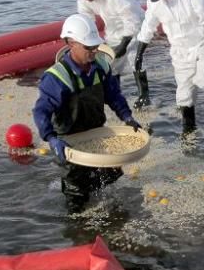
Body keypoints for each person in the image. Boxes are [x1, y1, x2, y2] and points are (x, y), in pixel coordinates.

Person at [32, 13, 142, 211]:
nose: (93, 51)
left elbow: (113, 95)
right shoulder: (57, 77)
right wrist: (51, 138)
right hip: (69, 140)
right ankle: (78, 222)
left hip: (95, 134)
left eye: (95, 46)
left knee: (111, 174)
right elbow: (41, 111)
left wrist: (127, 116)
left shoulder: (100, 66)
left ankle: (101, 207)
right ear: (71, 43)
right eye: (88, 47)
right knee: (76, 192)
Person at [134, 0, 204, 134]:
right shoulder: (154, 3)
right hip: (179, 50)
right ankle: (189, 129)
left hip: (201, 43)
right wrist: (139, 54)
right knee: (184, 94)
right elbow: (148, 27)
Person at [74, 0, 148, 107]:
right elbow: (87, 21)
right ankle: (115, 92)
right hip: (113, 29)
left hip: (135, 25)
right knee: (112, 63)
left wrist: (124, 43)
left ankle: (144, 96)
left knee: (135, 59)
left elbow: (132, 18)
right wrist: (92, 42)